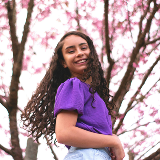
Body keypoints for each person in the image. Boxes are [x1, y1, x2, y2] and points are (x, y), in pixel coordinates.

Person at [21, 31, 125, 160]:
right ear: (63, 63)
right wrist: (113, 141)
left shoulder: (92, 94)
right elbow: (64, 133)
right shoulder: (74, 85)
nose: (79, 53)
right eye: (71, 51)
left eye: (83, 48)